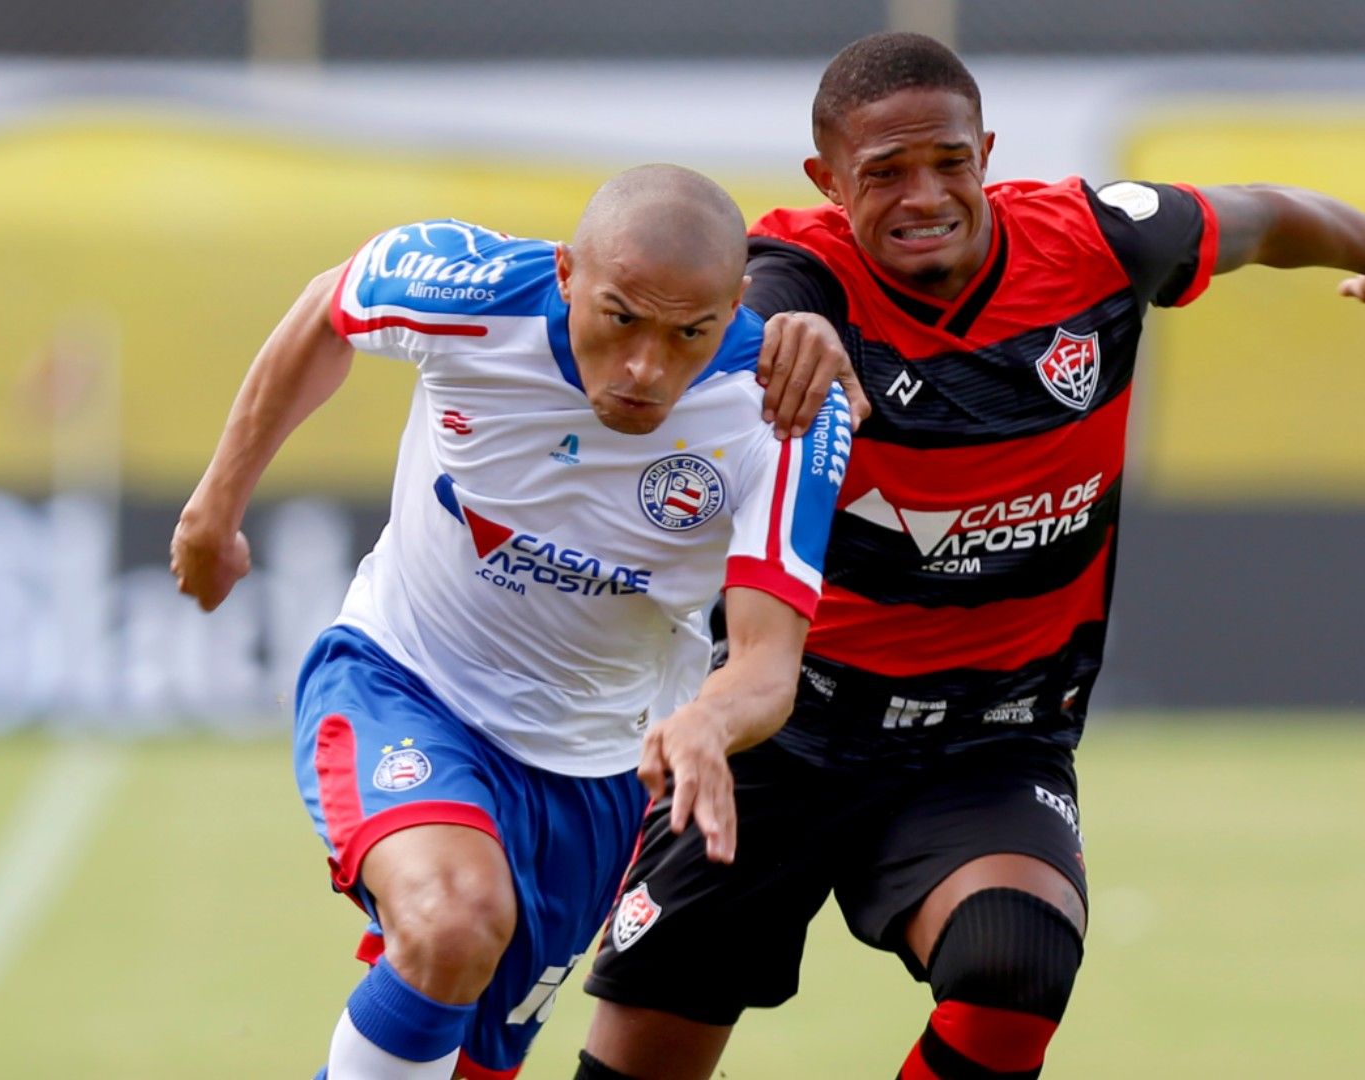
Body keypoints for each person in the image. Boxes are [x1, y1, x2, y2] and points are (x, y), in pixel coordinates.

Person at [578, 33, 1365, 1080]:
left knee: (1014, 964)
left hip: (989, 738)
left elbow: (1264, 216)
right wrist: (771, 329)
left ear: (986, 152)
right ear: (828, 181)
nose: (925, 195)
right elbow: (729, 306)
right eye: (884, 173)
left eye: (949, 161)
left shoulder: (1100, 243)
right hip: (779, 734)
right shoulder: (796, 275)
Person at [170, 164, 855, 1080]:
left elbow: (768, 667)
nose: (646, 366)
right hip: (405, 680)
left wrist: (707, 721)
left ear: (736, 305)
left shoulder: (783, 410)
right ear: (567, 273)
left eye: (688, 333)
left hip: (596, 771)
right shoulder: (470, 289)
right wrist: (214, 510)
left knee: (469, 1051)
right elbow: (328, 308)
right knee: (452, 923)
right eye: (621, 319)